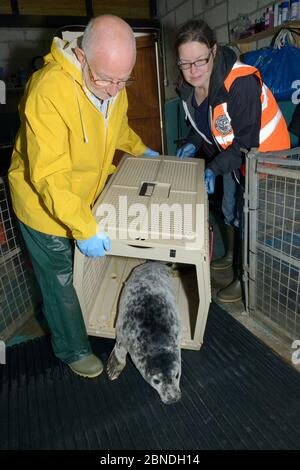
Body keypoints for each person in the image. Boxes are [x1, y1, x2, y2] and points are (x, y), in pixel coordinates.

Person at [8, 15, 159, 378]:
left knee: (81, 267)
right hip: (42, 202)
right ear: (81, 56)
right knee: (58, 276)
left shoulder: (113, 85)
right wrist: (84, 226)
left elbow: (116, 126)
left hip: (80, 194)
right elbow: (50, 176)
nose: (114, 89)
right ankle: (72, 349)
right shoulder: (48, 91)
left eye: (123, 80)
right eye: (105, 79)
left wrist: (141, 151)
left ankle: (80, 317)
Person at [174, 19, 290, 303]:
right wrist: (191, 143)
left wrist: (213, 167)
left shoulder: (241, 83)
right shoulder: (190, 88)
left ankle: (244, 278)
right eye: (185, 63)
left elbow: (246, 143)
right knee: (228, 210)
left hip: (263, 160)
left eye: (200, 61)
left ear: (213, 51)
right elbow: (205, 127)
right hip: (231, 157)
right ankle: (230, 255)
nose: (193, 71)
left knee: (247, 217)